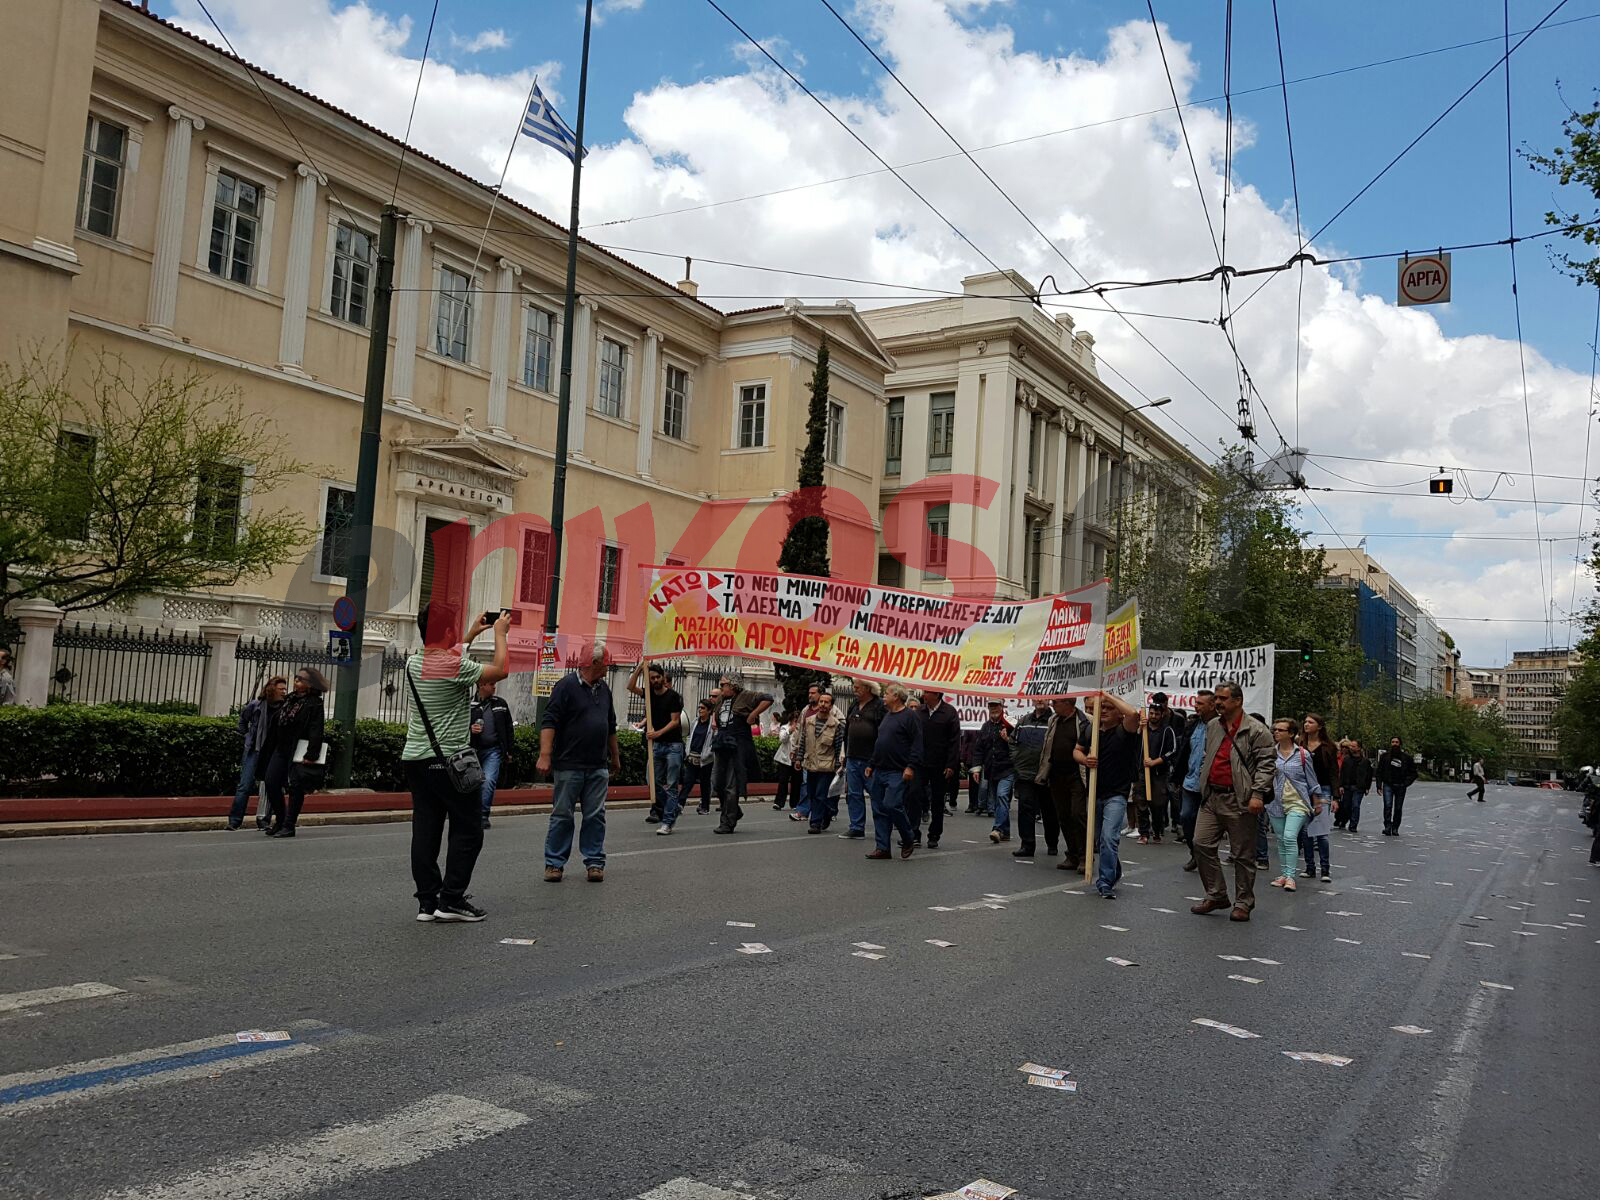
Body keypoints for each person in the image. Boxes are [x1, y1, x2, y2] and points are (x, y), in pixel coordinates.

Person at [406, 605, 510, 921]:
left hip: (415, 759)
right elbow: (500, 670)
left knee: (426, 829)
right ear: (448, 633)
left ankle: (427, 901)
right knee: (468, 829)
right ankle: (451, 899)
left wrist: (471, 633)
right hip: (450, 762)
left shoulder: (414, 662)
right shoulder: (453, 666)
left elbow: (447, 654)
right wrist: (499, 635)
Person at [1189, 681, 1275, 922]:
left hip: (1240, 799)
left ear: (1238, 701)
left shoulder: (1257, 730)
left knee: (1242, 855)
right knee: (1201, 843)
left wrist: (1257, 794)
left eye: (1223, 699)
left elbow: (1267, 767)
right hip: (1212, 797)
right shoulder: (1213, 725)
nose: (1218, 703)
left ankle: (1243, 902)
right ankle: (1216, 894)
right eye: (1216, 698)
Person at [539, 642, 620, 881]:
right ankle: (554, 864)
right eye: (606, 661)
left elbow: (611, 726)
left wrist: (614, 757)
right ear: (594, 663)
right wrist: (545, 755)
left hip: (597, 765)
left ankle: (594, 862)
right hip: (569, 764)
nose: (608, 666)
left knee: (595, 815)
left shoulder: (604, 689)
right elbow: (549, 721)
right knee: (562, 814)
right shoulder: (565, 687)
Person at [1074, 691, 1143, 899]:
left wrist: (1106, 695)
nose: (1103, 711)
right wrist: (1085, 760)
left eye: (1108, 708)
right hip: (1095, 792)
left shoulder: (1125, 730)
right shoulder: (1090, 730)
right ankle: (1114, 869)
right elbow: (1076, 750)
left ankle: (1105, 882)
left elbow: (1132, 714)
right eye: (1100, 707)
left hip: (1117, 794)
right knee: (1100, 840)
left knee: (1108, 837)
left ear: (1118, 712)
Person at [260, 666, 328, 839]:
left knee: (296, 787)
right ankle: (281, 819)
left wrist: (311, 754)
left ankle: (289, 825)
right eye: (296, 678)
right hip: (281, 748)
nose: (296, 682)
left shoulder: (314, 703)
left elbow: (316, 730)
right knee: (271, 781)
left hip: (298, 750)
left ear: (310, 684)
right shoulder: (290, 698)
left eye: (301, 679)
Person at [1268, 718, 1326, 892]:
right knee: (1280, 839)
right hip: (1276, 802)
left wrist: (1317, 800)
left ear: (1291, 734)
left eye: (1281, 730)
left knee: (1289, 836)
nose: (1276, 732)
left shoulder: (1302, 754)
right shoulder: (1270, 753)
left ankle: (1291, 877)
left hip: (1298, 802)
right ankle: (1284, 874)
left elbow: (1311, 778)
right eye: (1275, 729)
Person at [709, 675, 773, 835]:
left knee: (731, 786)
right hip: (721, 743)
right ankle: (734, 810)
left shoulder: (746, 696)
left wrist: (753, 715)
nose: (721, 687)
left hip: (737, 745)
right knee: (717, 783)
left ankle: (727, 822)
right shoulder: (721, 700)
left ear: (733, 685)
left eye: (724, 684)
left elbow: (768, 698)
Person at [864, 683, 920, 860]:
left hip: (898, 770)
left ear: (896, 696)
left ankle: (908, 836)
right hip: (880, 769)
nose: (883, 697)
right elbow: (880, 742)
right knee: (879, 809)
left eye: (886, 693)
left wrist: (911, 766)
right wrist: (871, 764)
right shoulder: (888, 716)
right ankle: (882, 847)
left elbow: (917, 744)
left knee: (892, 804)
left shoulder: (910, 717)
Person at [629, 663, 685, 833]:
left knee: (672, 783)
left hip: (673, 745)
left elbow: (675, 721)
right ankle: (672, 807)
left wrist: (657, 734)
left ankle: (667, 822)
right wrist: (639, 669)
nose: (654, 680)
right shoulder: (648, 695)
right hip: (657, 745)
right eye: (651, 678)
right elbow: (630, 687)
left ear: (662, 677)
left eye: (657, 677)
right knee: (652, 780)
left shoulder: (673, 696)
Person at [1040, 695, 1091, 872]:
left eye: (1056, 702)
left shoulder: (1084, 721)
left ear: (1068, 704)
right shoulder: (1053, 720)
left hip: (1076, 775)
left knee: (1078, 814)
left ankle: (1085, 856)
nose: (1052, 705)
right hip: (1056, 775)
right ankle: (1073, 855)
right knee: (1063, 816)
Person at [228, 676, 285, 830]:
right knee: (244, 785)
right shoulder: (256, 705)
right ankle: (234, 821)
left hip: (272, 751)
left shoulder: (284, 708)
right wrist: (247, 735)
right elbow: (242, 721)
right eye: (281, 689)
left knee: (269, 786)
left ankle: (264, 820)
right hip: (254, 749)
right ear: (272, 689)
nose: (284, 692)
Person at [841, 679, 885, 840]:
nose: (854, 689)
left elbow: (883, 733)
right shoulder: (854, 705)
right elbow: (847, 730)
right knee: (853, 794)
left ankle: (883, 826)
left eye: (857, 687)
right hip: (853, 756)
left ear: (867, 688)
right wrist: (845, 753)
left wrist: (877, 759)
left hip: (870, 759)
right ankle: (856, 827)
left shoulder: (879, 706)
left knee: (876, 794)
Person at [1011, 700, 1056, 858]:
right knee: (1025, 810)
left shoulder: (1054, 720)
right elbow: (1013, 742)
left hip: (1046, 774)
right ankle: (1027, 845)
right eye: (1037, 697)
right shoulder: (1024, 721)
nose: (1039, 701)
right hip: (1025, 774)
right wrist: (1017, 761)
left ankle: (1052, 843)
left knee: (1049, 811)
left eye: (1043, 698)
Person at [917, 689, 960, 849]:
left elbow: (955, 741)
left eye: (927, 692)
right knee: (915, 795)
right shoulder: (919, 712)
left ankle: (934, 834)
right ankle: (914, 833)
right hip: (920, 763)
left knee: (937, 800)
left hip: (940, 765)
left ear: (936, 695)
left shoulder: (949, 712)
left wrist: (951, 765)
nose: (923, 694)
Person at [797, 691, 845, 833]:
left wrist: (838, 765)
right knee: (811, 794)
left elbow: (838, 747)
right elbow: (803, 741)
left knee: (820, 794)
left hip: (827, 766)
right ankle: (828, 812)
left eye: (826, 702)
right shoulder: (809, 721)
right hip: (810, 764)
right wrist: (799, 758)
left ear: (831, 706)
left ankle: (815, 823)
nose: (823, 705)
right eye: (821, 702)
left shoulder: (836, 725)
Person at [1179, 690, 1216, 870]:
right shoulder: (1193, 725)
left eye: (1200, 703)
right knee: (1186, 816)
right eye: (1196, 702)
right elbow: (1184, 750)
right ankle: (1195, 852)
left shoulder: (1221, 726)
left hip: (1211, 785)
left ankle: (1206, 856)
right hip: (1190, 782)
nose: (1196, 706)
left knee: (1209, 825)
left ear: (1212, 705)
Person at [1139, 693, 1183, 844]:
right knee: (1141, 803)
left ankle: (1157, 830)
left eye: (1156, 714)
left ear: (1162, 714)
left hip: (1159, 773)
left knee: (1157, 804)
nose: (1153, 716)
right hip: (1142, 772)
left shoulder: (1167, 730)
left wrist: (1155, 762)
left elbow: (1172, 751)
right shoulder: (1143, 730)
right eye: (1151, 713)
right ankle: (1144, 833)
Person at [470, 679, 514, 830]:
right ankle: (470, 814)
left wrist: (509, 750)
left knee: (488, 781)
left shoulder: (500, 703)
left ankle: (483, 815)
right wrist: (469, 730)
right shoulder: (468, 704)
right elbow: (457, 726)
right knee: (471, 784)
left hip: (493, 750)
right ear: (482, 685)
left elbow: (509, 728)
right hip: (472, 751)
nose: (495, 687)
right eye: (492, 684)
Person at [1299, 713, 1338, 878]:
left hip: (1323, 789)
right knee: (1306, 831)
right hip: (1303, 790)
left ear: (1319, 726)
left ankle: (1325, 869)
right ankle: (1310, 867)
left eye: (1311, 722)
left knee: (1321, 831)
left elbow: (1333, 772)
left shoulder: (1327, 747)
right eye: (1305, 722)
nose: (1307, 724)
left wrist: (1335, 797)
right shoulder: (1300, 745)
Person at [975, 700, 1016, 843]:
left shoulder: (1010, 724)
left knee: (1002, 796)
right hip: (991, 770)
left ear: (1002, 707)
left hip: (1007, 768)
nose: (993, 709)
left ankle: (998, 829)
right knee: (1000, 801)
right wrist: (976, 768)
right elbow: (979, 749)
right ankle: (1006, 832)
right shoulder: (985, 727)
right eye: (991, 706)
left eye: (996, 706)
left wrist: (1008, 739)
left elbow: (1019, 744)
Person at [1376, 736, 1418, 836]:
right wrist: (1379, 785)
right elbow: (1379, 772)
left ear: (1400, 744)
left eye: (1397, 742)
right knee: (1388, 806)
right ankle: (1387, 826)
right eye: (1393, 742)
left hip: (1400, 785)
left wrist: (1406, 783)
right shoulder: (1385, 757)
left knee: (1398, 808)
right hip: (1388, 785)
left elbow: (1413, 773)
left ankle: (1395, 827)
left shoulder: (1406, 758)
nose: (1394, 744)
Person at [685, 696, 716, 816]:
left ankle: (705, 806)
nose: (700, 710)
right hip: (693, 756)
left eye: (703, 708)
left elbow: (714, 740)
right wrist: (688, 751)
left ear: (709, 710)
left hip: (706, 759)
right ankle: (680, 804)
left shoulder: (712, 725)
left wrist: (708, 753)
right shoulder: (695, 722)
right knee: (688, 781)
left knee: (705, 783)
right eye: (699, 707)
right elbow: (690, 736)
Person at [772, 711, 799, 812]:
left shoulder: (802, 729)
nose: (796, 722)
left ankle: (795, 803)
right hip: (785, 759)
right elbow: (782, 739)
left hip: (796, 759)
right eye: (794, 720)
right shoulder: (784, 727)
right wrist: (790, 731)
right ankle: (779, 803)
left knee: (796, 782)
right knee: (783, 781)